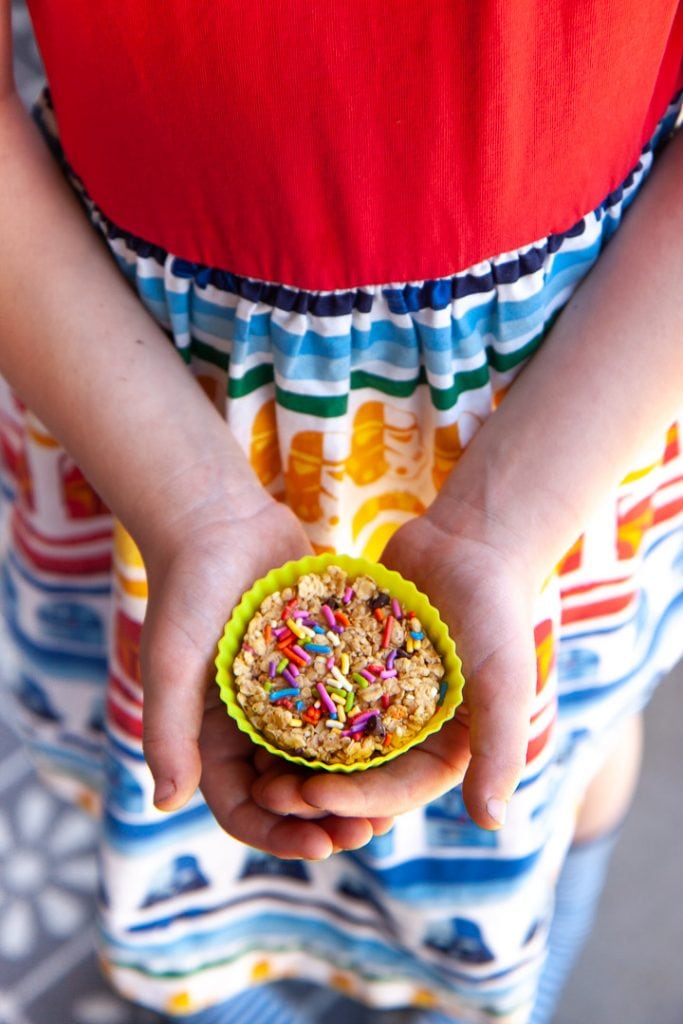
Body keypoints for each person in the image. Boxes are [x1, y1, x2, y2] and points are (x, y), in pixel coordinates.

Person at [1, 2, 682, 1022]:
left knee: (561, 739)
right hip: (117, 366)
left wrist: (513, 518)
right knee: (152, 755)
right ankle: (226, 990)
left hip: (580, 380)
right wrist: (183, 502)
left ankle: (511, 970)